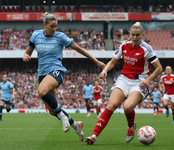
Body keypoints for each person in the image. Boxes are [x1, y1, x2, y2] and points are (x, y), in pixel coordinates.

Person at [23, 12, 105, 141]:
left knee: (41, 91)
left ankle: (63, 117)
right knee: (52, 110)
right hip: (42, 74)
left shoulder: (60, 37)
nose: (55, 29)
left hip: (56, 71)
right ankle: (75, 124)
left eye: (56, 26)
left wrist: (96, 61)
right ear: (44, 25)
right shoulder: (35, 35)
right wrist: (26, 56)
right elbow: (28, 52)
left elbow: (80, 49)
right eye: (52, 26)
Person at [85, 22, 163, 145]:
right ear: (130, 35)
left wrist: (147, 81)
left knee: (127, 107)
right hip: (124, 79)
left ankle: (131, 127)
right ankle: (94, 135)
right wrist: (105, 70)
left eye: (138, 35)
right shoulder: (124, 46)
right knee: (111, 105)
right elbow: (112, 62)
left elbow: (159, 68)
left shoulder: (146, 49)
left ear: (142, 35)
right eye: (133, 35)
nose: (135, 37)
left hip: (139, 82)